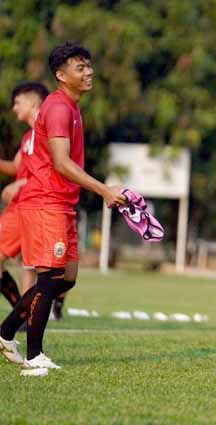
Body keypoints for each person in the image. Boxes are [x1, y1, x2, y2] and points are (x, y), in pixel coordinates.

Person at [0, 42, 125, 377]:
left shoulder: (71, 107)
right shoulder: (57, 108)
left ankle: (6, 331)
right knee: (51, 276)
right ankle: (34, 355)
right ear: (60, 74)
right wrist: (103, 190)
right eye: (80, 67)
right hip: (46, 204)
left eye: (88, 66)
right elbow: (61, 162)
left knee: (65, 279)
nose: (88, 72)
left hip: (62, 204)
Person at [0, 82, 49, 309]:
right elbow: (15, 167)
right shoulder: (29, 137)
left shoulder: (48, 131)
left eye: (17, 103)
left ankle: (24, 316)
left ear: (32, 102)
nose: (14, 108)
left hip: (31, 207)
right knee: (30, 268)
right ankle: (23, 314)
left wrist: (20, 184)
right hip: (20, 207)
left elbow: (55, 170)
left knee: (45, 272)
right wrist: (18, 180)